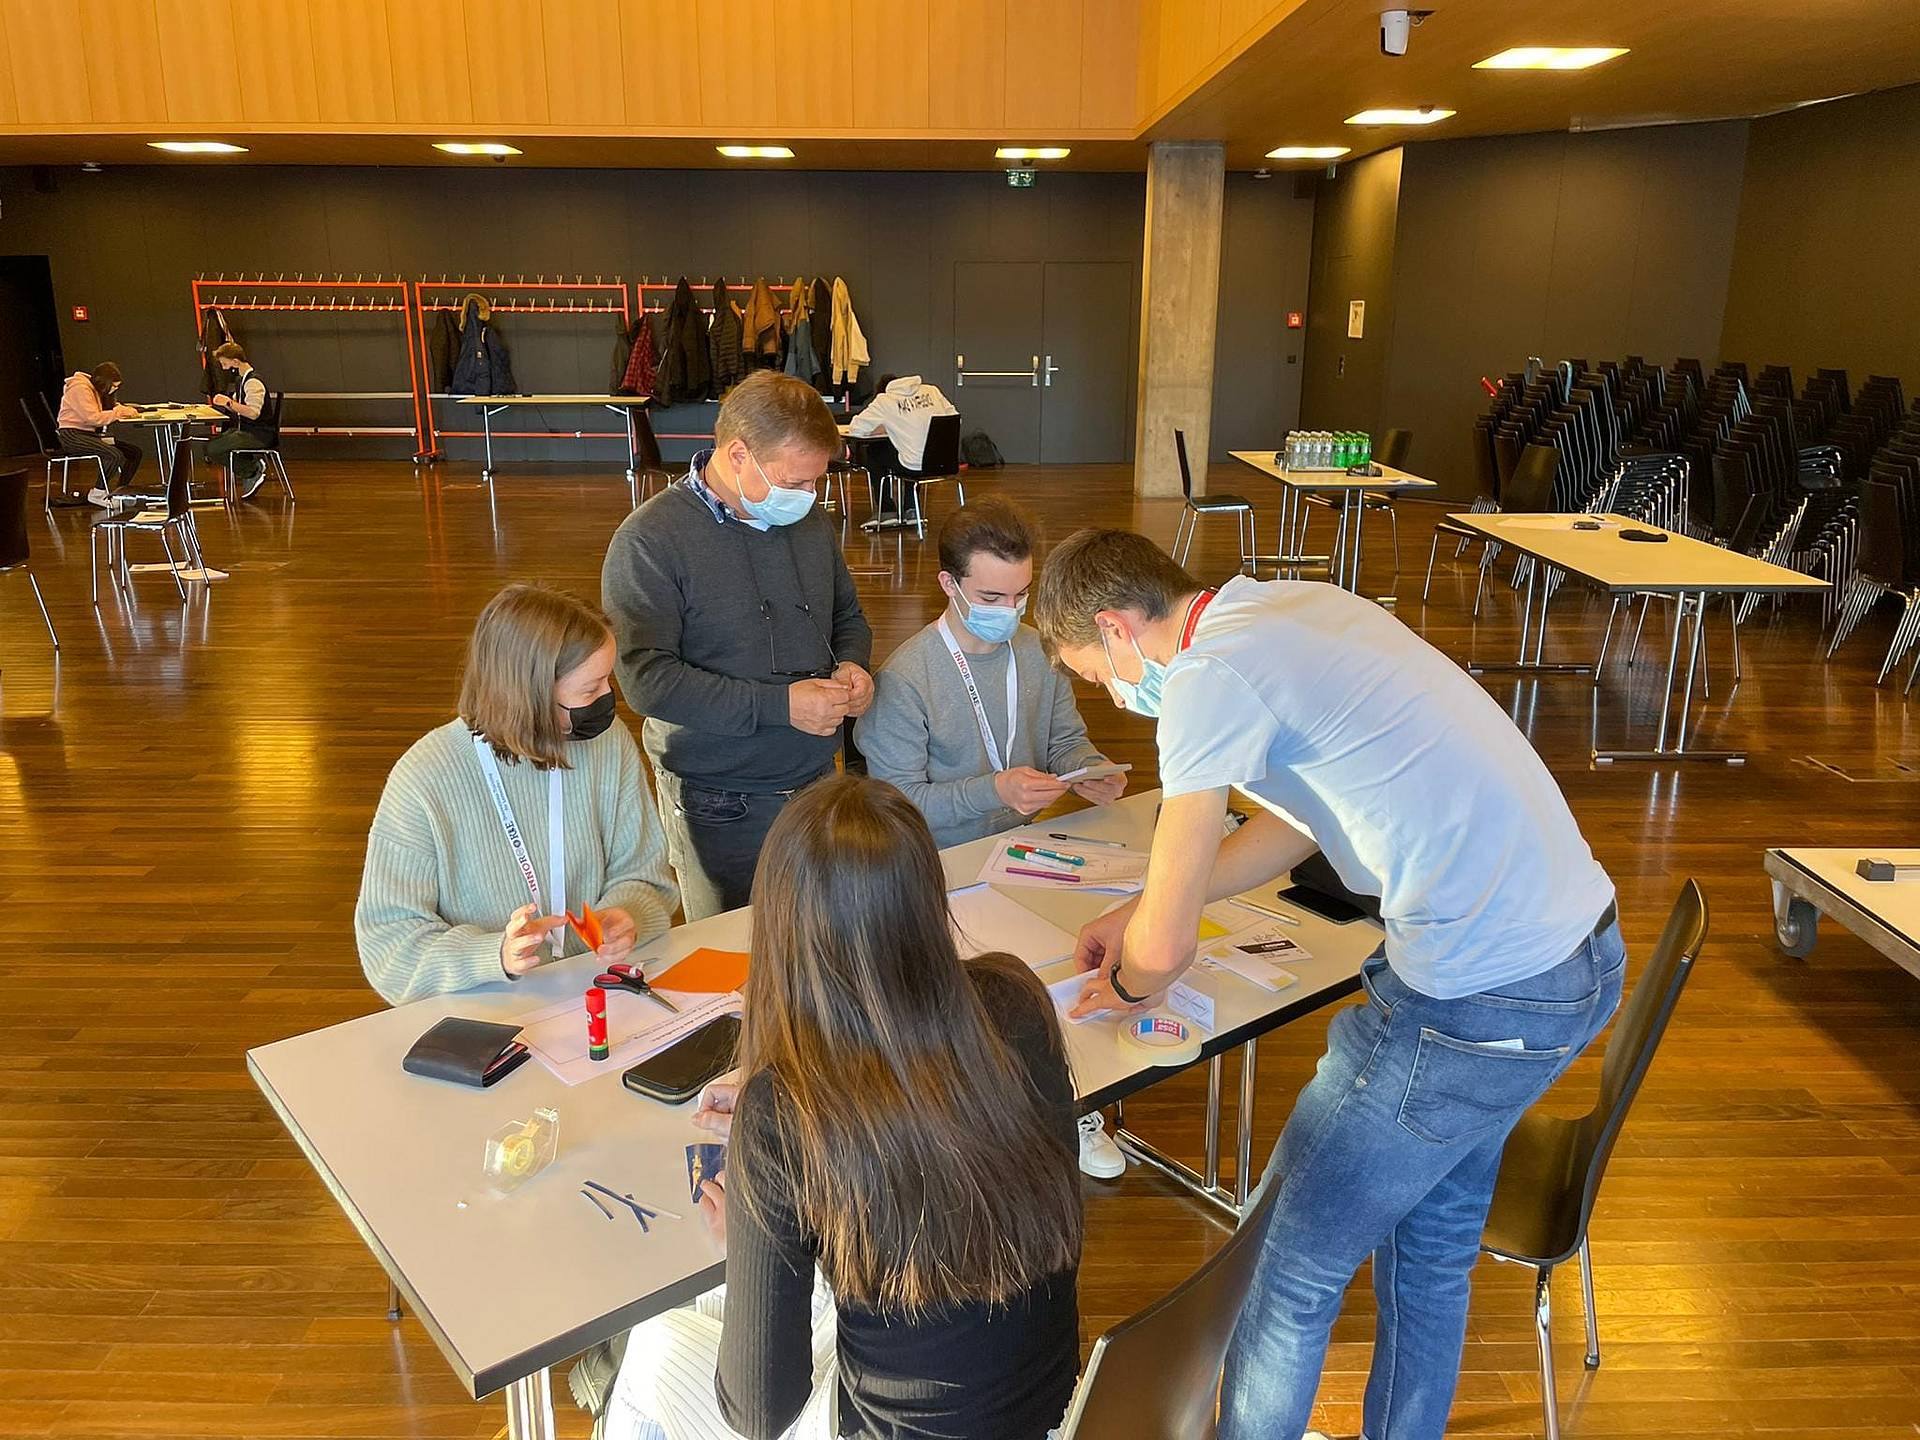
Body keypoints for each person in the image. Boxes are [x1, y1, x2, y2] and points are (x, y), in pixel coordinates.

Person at [1032, 530, 1624, 1440]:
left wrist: (1134, 973)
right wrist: (1147, 908)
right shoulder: (1289, 606)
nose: (1113, 695)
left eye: (1094, 675)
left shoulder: (1203, 677)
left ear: (1114, 628)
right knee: (1430, 1249)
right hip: (1572, 960)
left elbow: (1164, 951)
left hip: (1475, 998)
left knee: (1282, 1268)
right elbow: (1300, 822)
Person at [601, 775, 1082, 1440]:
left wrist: (747, 1236)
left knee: (654, 1347)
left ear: (782, 925)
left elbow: (759, 1413)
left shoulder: (779, 1114)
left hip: (890, 1426)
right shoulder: (1015, 1002)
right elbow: (933, 1118)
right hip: (1054, 1410)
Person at [603, 371, 874, 921]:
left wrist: (852, 663)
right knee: (731, 951)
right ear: (738, 454)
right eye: (794, 481)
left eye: (816, 481)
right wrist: (780, 706)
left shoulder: (810, 523)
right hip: (718, 800)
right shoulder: (649, 540)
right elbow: (646, 680)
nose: (808, 497)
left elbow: (846, 614)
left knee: (816, 934)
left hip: (817, 778)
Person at [354, 583, 678, 1006]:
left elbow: (645, 874)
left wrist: (628, 914)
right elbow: (389, 945)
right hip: (486, 1007)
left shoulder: (607, 743)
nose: (607, 698)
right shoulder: (424, 778)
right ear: (530, 695)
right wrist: (493, 955)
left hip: (599, 990)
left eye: (607, 680)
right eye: (590, 689)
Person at [844, 373, 956, 526]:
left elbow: (856, 429)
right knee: (912, 450)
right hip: (942, 463)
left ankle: (886, 510)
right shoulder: (933, 391)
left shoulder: (885, 400)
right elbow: (955, 418)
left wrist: (885, 427)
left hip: (912, 466)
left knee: (875, 451)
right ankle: (911, 508)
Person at [55, 361, 142, 509]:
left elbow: (108, 408)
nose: (114, 389)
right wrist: (118, 413)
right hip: (72, 435)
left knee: (134, 453)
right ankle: (98, 492)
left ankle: (120, 491)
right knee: (114, 455)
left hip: (88, 434)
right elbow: (93, 418)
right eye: (113, 386)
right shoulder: (80, 388)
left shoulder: (94, 389)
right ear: (104, 382)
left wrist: (121, 409)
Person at [205, 340, 274, 499]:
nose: (224, 369)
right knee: (215, 442)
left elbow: (253, 413)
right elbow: (239, 406)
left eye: (225, 364)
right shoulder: (241, 381)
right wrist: (228, 403)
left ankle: (252, 471)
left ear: (235, 362)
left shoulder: (253, 383)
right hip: (247, 431)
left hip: (259, 434)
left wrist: (229, 403)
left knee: (213, 449)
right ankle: (250, 467)